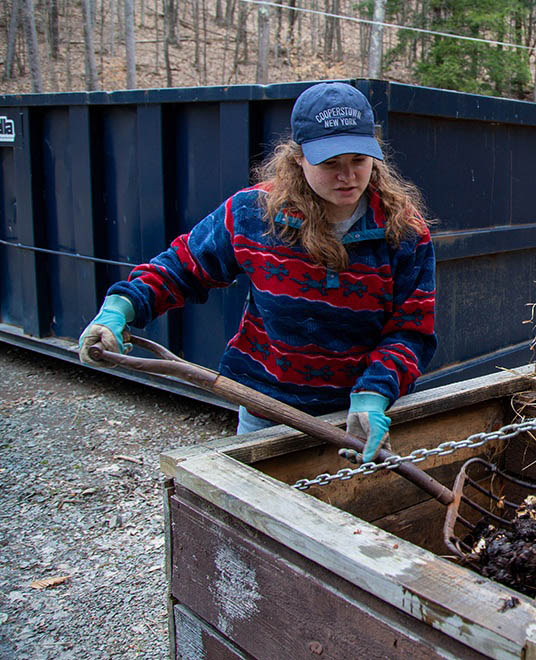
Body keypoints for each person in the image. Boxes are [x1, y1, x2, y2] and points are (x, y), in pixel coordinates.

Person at [78, 81, 436, 463]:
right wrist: (120, 308)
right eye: (330, 163)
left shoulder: (404, 232)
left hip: (359, 417)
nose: (347, 176)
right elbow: (181, 268)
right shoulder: (254, 215)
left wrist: (375, 392)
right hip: (266, 411)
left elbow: (412, 328)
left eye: (359, 161)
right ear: (298, 158)